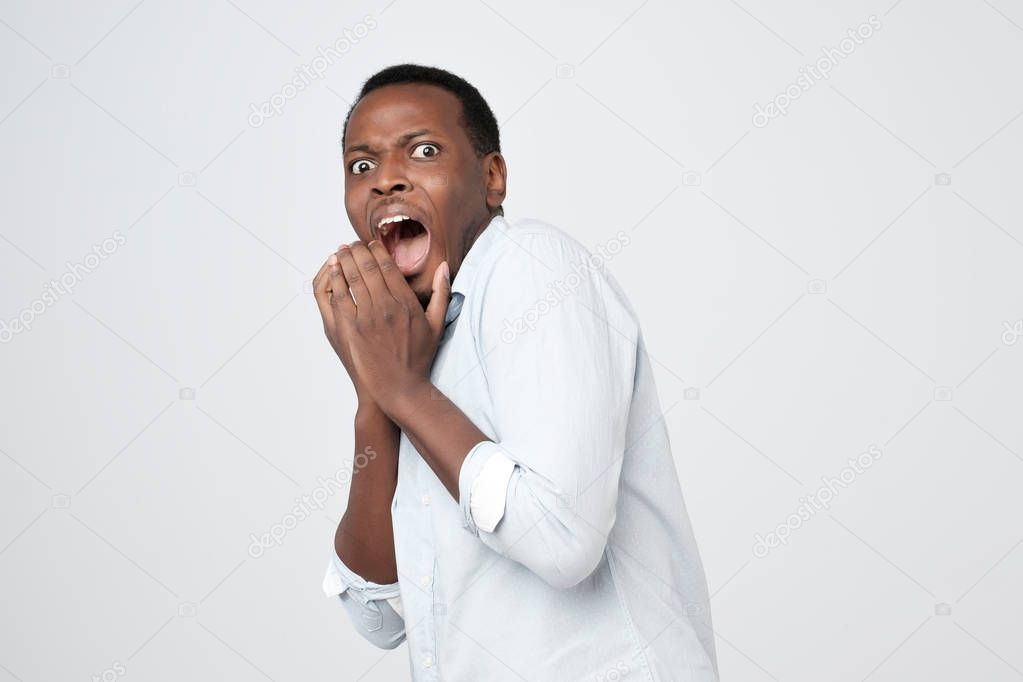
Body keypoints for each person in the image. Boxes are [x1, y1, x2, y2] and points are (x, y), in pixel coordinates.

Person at [313, 63, 718, 681]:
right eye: (361, 166)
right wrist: (377, 399)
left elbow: (563, 540)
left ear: (492, 177)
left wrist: (403, 390)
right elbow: (381, 619)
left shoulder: (531, 267)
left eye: (422, 151)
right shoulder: (413, 347)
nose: (385, 180)